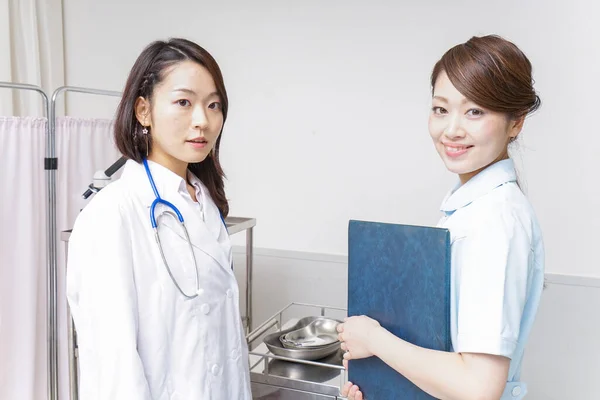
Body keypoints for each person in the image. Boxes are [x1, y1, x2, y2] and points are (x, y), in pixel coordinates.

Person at [338, 35, 544, 400]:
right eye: (440, 109)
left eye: (475, 111)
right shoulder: (472, 208)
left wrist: (374, 340)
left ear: (516, 123)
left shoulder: (497, 219)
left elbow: (478, 387)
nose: (452, 130)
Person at [66, 38, 252, 399]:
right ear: (143, 111)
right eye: (184, 102)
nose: (202, 120)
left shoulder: (203, 201)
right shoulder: (111, 216)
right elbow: (113, 369)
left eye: (213, 105)